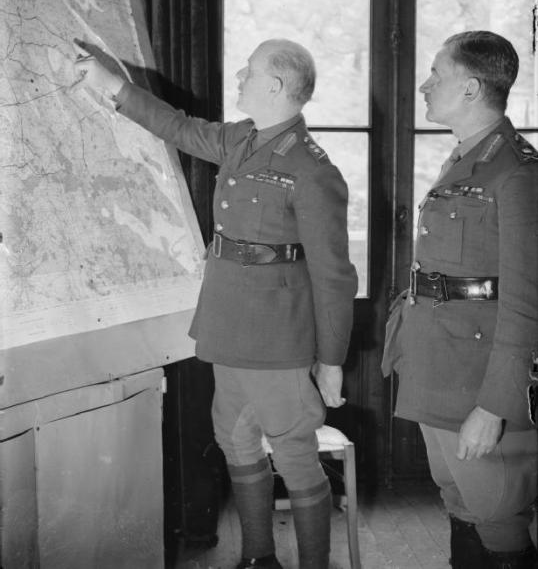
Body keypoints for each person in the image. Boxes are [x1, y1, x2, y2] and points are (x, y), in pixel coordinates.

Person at [73, 38, 358, 569]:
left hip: (279, 339)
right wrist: (113, 85)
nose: (239, 78)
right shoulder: (240, 139)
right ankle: (258, 558)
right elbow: (177, 127)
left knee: (295, 454)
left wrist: (332, 361)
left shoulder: (313, 169)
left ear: (275, 86)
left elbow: (334, 275)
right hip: (229, 325)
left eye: (249, 72)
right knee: (235, 440)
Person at [382, 30, 538, 569]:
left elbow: (525, 305)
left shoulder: (516, 173)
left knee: (498, 515)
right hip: (441, 369)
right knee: (459, 503)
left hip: (478, 383)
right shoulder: (469, 158)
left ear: (471, 88)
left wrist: (494, 406)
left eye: (436, 75)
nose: (425, 86)